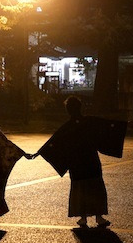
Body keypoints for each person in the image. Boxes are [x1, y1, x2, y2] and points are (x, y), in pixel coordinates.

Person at [34, 96, 110, 229]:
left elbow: (53, 142)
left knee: (80, 188)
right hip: (91, 160)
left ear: (68, 110)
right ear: (81, 107)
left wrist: (38, 153)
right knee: (95, 186)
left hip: (76, 163)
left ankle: (83, 217)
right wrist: (127, 124)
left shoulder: (66, 128)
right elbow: (108, 125)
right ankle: (99, 217)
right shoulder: (90, 122)